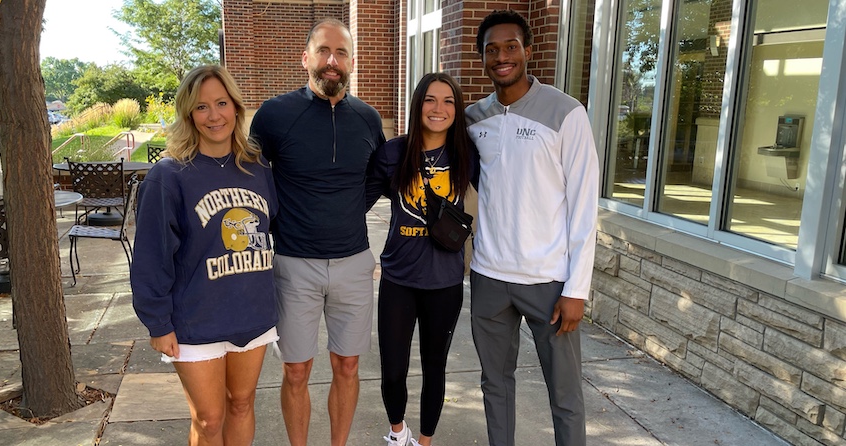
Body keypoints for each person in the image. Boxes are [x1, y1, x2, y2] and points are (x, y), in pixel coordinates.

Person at [464, 10, 599, 446]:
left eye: (511, 47)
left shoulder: (566, 113)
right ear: (482, 57)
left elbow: (583, 207)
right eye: (492, 49)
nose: (502, 56)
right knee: (495, 386)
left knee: (564, 394)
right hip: (488, 278)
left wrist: (577, 288)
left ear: (528, 51)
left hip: (549, 282)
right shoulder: (471, 119)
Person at [249, 18, 386, 446]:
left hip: (354, 263)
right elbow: (252, 178)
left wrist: (344, 211)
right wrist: (283, 217)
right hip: (293, 265)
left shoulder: (367, 118)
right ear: (305, 58)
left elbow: (375, 178)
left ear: (351, 62)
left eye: (341, 52)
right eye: (324, 51)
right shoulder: (274, 115)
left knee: (348, 367)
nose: (332, 61)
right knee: (296, 370)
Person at [131, 65, 278, 445]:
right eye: (201, 107)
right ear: (188, 114)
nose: (214, 116)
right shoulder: (169, 175)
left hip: (252, 311)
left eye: (221, 103)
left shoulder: (258, 168)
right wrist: (157, 323)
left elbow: (270, 229)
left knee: (242, 403)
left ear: (236, 107)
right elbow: (150, 256)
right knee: (210, 419)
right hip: (196, 318)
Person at [366, 72, 477, 446]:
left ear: (457, 110)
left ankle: (425, 441)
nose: (439, 108)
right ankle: (399, 435)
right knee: (393, 370)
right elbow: (356, 202)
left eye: (448, 101)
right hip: (399, 278)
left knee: (435, 368)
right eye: (431, 99)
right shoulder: (393, 153)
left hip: (444, 282)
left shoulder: (466, 155)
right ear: (418, 105)